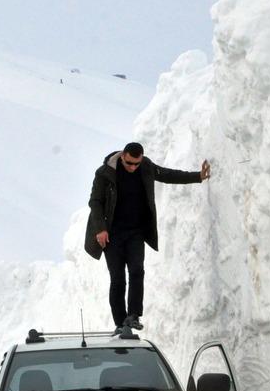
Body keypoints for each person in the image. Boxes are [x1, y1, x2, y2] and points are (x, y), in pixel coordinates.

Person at [84, 142, 210, 331]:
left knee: (137, 271)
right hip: (113, 235)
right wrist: (100, 229)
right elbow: (95, 202)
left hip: (136, 232)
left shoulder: (146, 166)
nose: (133, 167)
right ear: (123, 156)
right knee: (118, 280)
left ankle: (133, 316)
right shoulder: (105, 173)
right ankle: (120, 323)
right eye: (129, 163)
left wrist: (198, 176)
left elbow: (168, 175)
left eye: (137, 163)